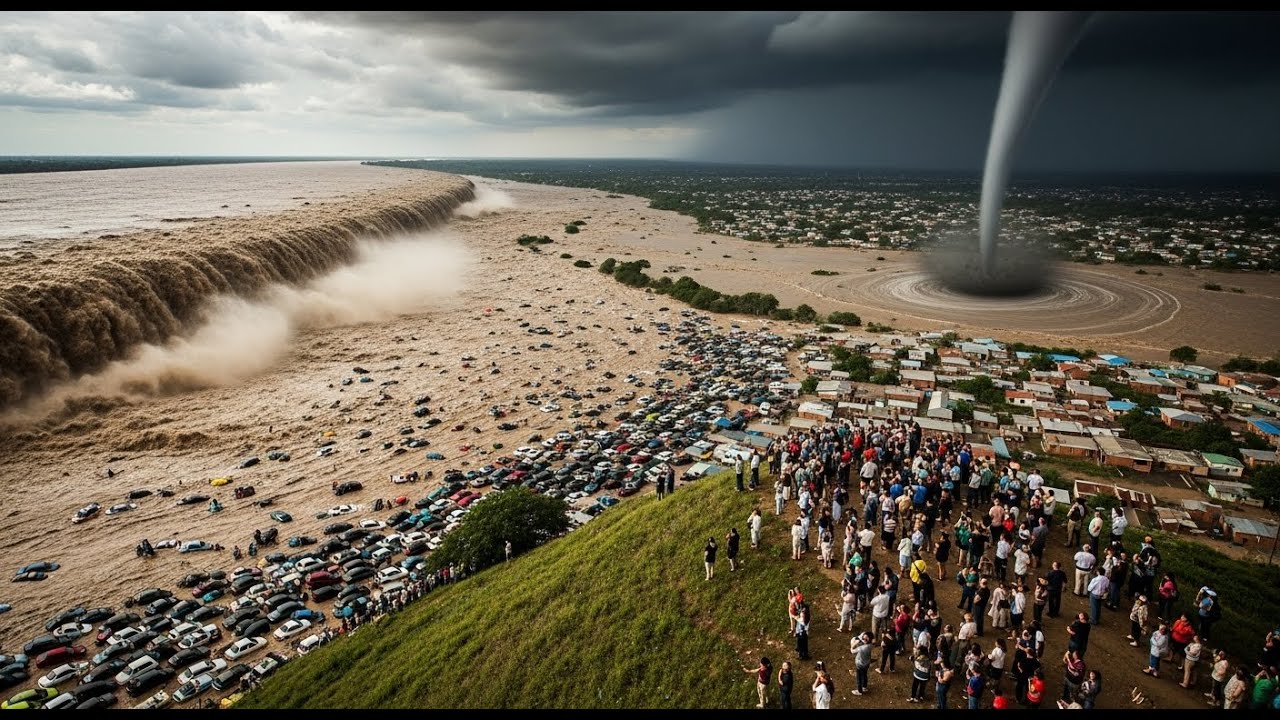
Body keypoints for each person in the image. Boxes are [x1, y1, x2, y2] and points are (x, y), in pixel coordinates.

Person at [851, 631, 873, 695]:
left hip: (860, 664)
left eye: (864, 638)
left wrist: (855, 642)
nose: (863, 639)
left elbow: (852, 650)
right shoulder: (870, 645)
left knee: (859, 678)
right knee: (864, 675)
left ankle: (859, 691)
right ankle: (864, 687)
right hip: (867, 663)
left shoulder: (861, 648)